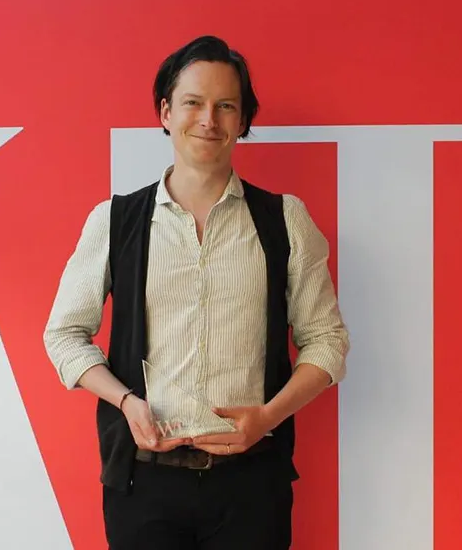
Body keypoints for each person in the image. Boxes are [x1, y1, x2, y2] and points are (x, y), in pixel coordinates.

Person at [43, 35, 349, 550]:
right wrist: (125, 401)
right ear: (165, 112)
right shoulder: (117, 221)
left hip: (251, 486)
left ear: (243, 120)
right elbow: (64, 336)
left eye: (225, 106)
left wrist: (268, 417)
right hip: (144, 484)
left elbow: (328, 342)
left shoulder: (283, 221)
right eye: (192, 103)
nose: (209, 119)